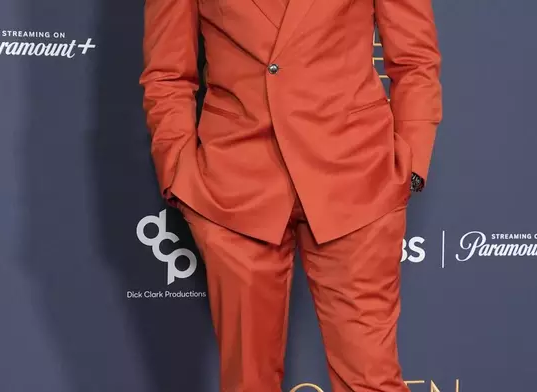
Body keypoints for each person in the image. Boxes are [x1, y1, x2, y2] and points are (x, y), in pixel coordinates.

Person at [140, 0, 442, 390]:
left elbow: (415, 58)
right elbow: (167, 74)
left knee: (371, 379)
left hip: (356, 176)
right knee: (248, 382)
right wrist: (177, 170)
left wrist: (412, 162)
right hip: (235, 185)